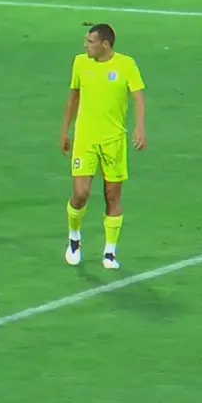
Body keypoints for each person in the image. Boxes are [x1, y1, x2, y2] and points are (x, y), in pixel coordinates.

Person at [60, 23, 146, 270]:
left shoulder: (126, 65)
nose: (85, 45)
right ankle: (74, 238)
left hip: (114, 141)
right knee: (80, 193)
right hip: (85, 139)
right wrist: (65, 129)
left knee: (112, 196)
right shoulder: (80, 63)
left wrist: (140, 127)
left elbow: (138, 96)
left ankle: (109, 252)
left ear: (105, 44)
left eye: (90, 42)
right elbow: (73, 97)